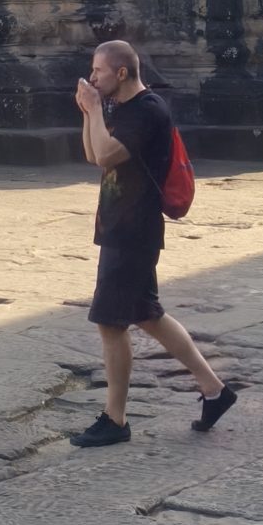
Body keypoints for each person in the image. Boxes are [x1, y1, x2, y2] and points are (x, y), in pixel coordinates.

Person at [69, 37, 237, 448]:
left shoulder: (147, 110)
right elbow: (93, 153)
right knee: (148, 314)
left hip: (133, 230)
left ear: (122, 72)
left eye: (99, 71)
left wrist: (95, 110)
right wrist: (90, 113)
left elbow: (107, 155)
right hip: (120, 226)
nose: (92, 78)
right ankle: (214, 391)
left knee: (111, 323)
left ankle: (116, 419)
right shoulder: (123, 109)